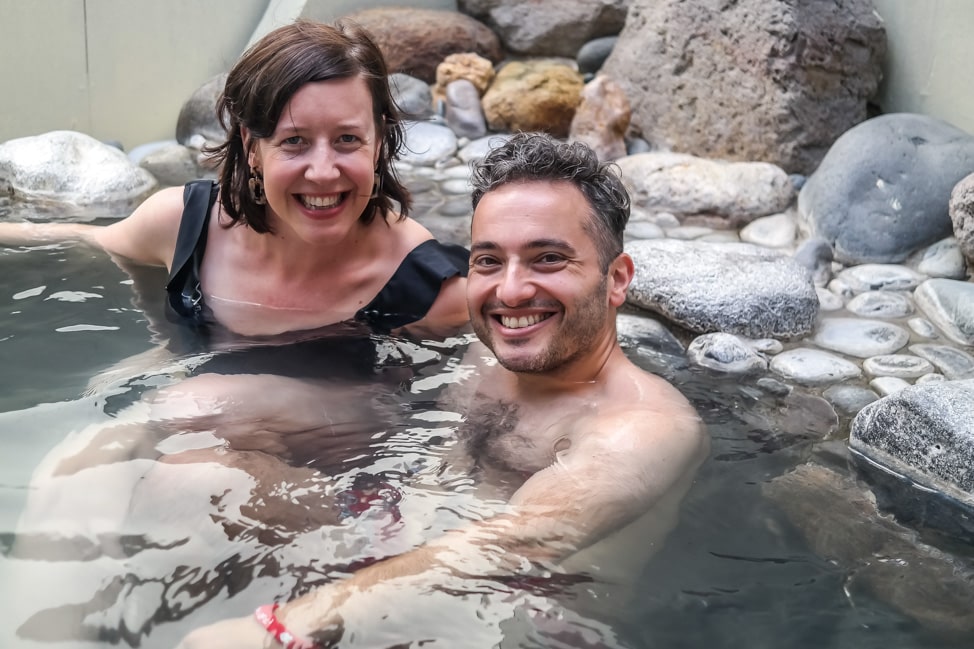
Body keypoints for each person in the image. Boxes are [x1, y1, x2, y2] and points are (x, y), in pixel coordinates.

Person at [178, 132, 709, 648]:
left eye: (548, 258)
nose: (510, 291)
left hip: (513, 621)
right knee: (193, 471)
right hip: (391, 554)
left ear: (617, 279)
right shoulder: (487, 356)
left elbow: (510, 544)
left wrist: (281, 630)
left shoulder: (644, 428)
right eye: (489, 261)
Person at [0, 19, 468, 340]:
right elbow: (84, 240)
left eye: (347, 139)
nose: (324, 171)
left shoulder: (430, 287)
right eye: (294, 141)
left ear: (379, 142)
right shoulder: (186, 226)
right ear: (252, 147)